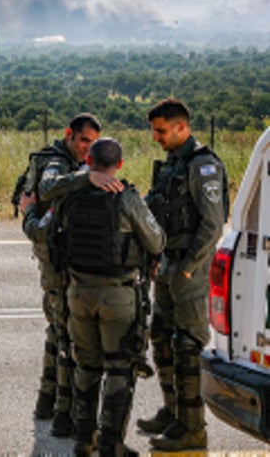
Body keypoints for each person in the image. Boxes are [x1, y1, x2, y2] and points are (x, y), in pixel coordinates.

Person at [50, 138, 166, 456]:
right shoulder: (126, 198)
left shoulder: (71, 195)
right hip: (118, 295)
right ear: (121, 164)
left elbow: (54, 235)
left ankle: (82, 439)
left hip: (77, 291)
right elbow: (156, 242)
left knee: (86, 365)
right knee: (119, 368)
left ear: (88, 160)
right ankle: (110, 444)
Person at [136, 98, 227, 451]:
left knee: (188, 346)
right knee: (161, 338)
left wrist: (189, 266)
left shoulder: (203, 165)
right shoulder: (173, 164)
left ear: (181, 127)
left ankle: (193, 429)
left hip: (190, 267)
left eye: (161, 130)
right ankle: (174, 413)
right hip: (169, 263)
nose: (156, 137)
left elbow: (212, 223)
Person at [24, 112, 119, 437]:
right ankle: (64, 414)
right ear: (69, 135)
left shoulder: (73, 162)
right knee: (67, 336)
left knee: (59, 333)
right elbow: (49, 187)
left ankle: (47, 402)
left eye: (92, 144)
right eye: (83, 141)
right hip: (55, 258)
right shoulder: (55, 162)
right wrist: (85, 178)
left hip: (63, 253)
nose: (86, 149)